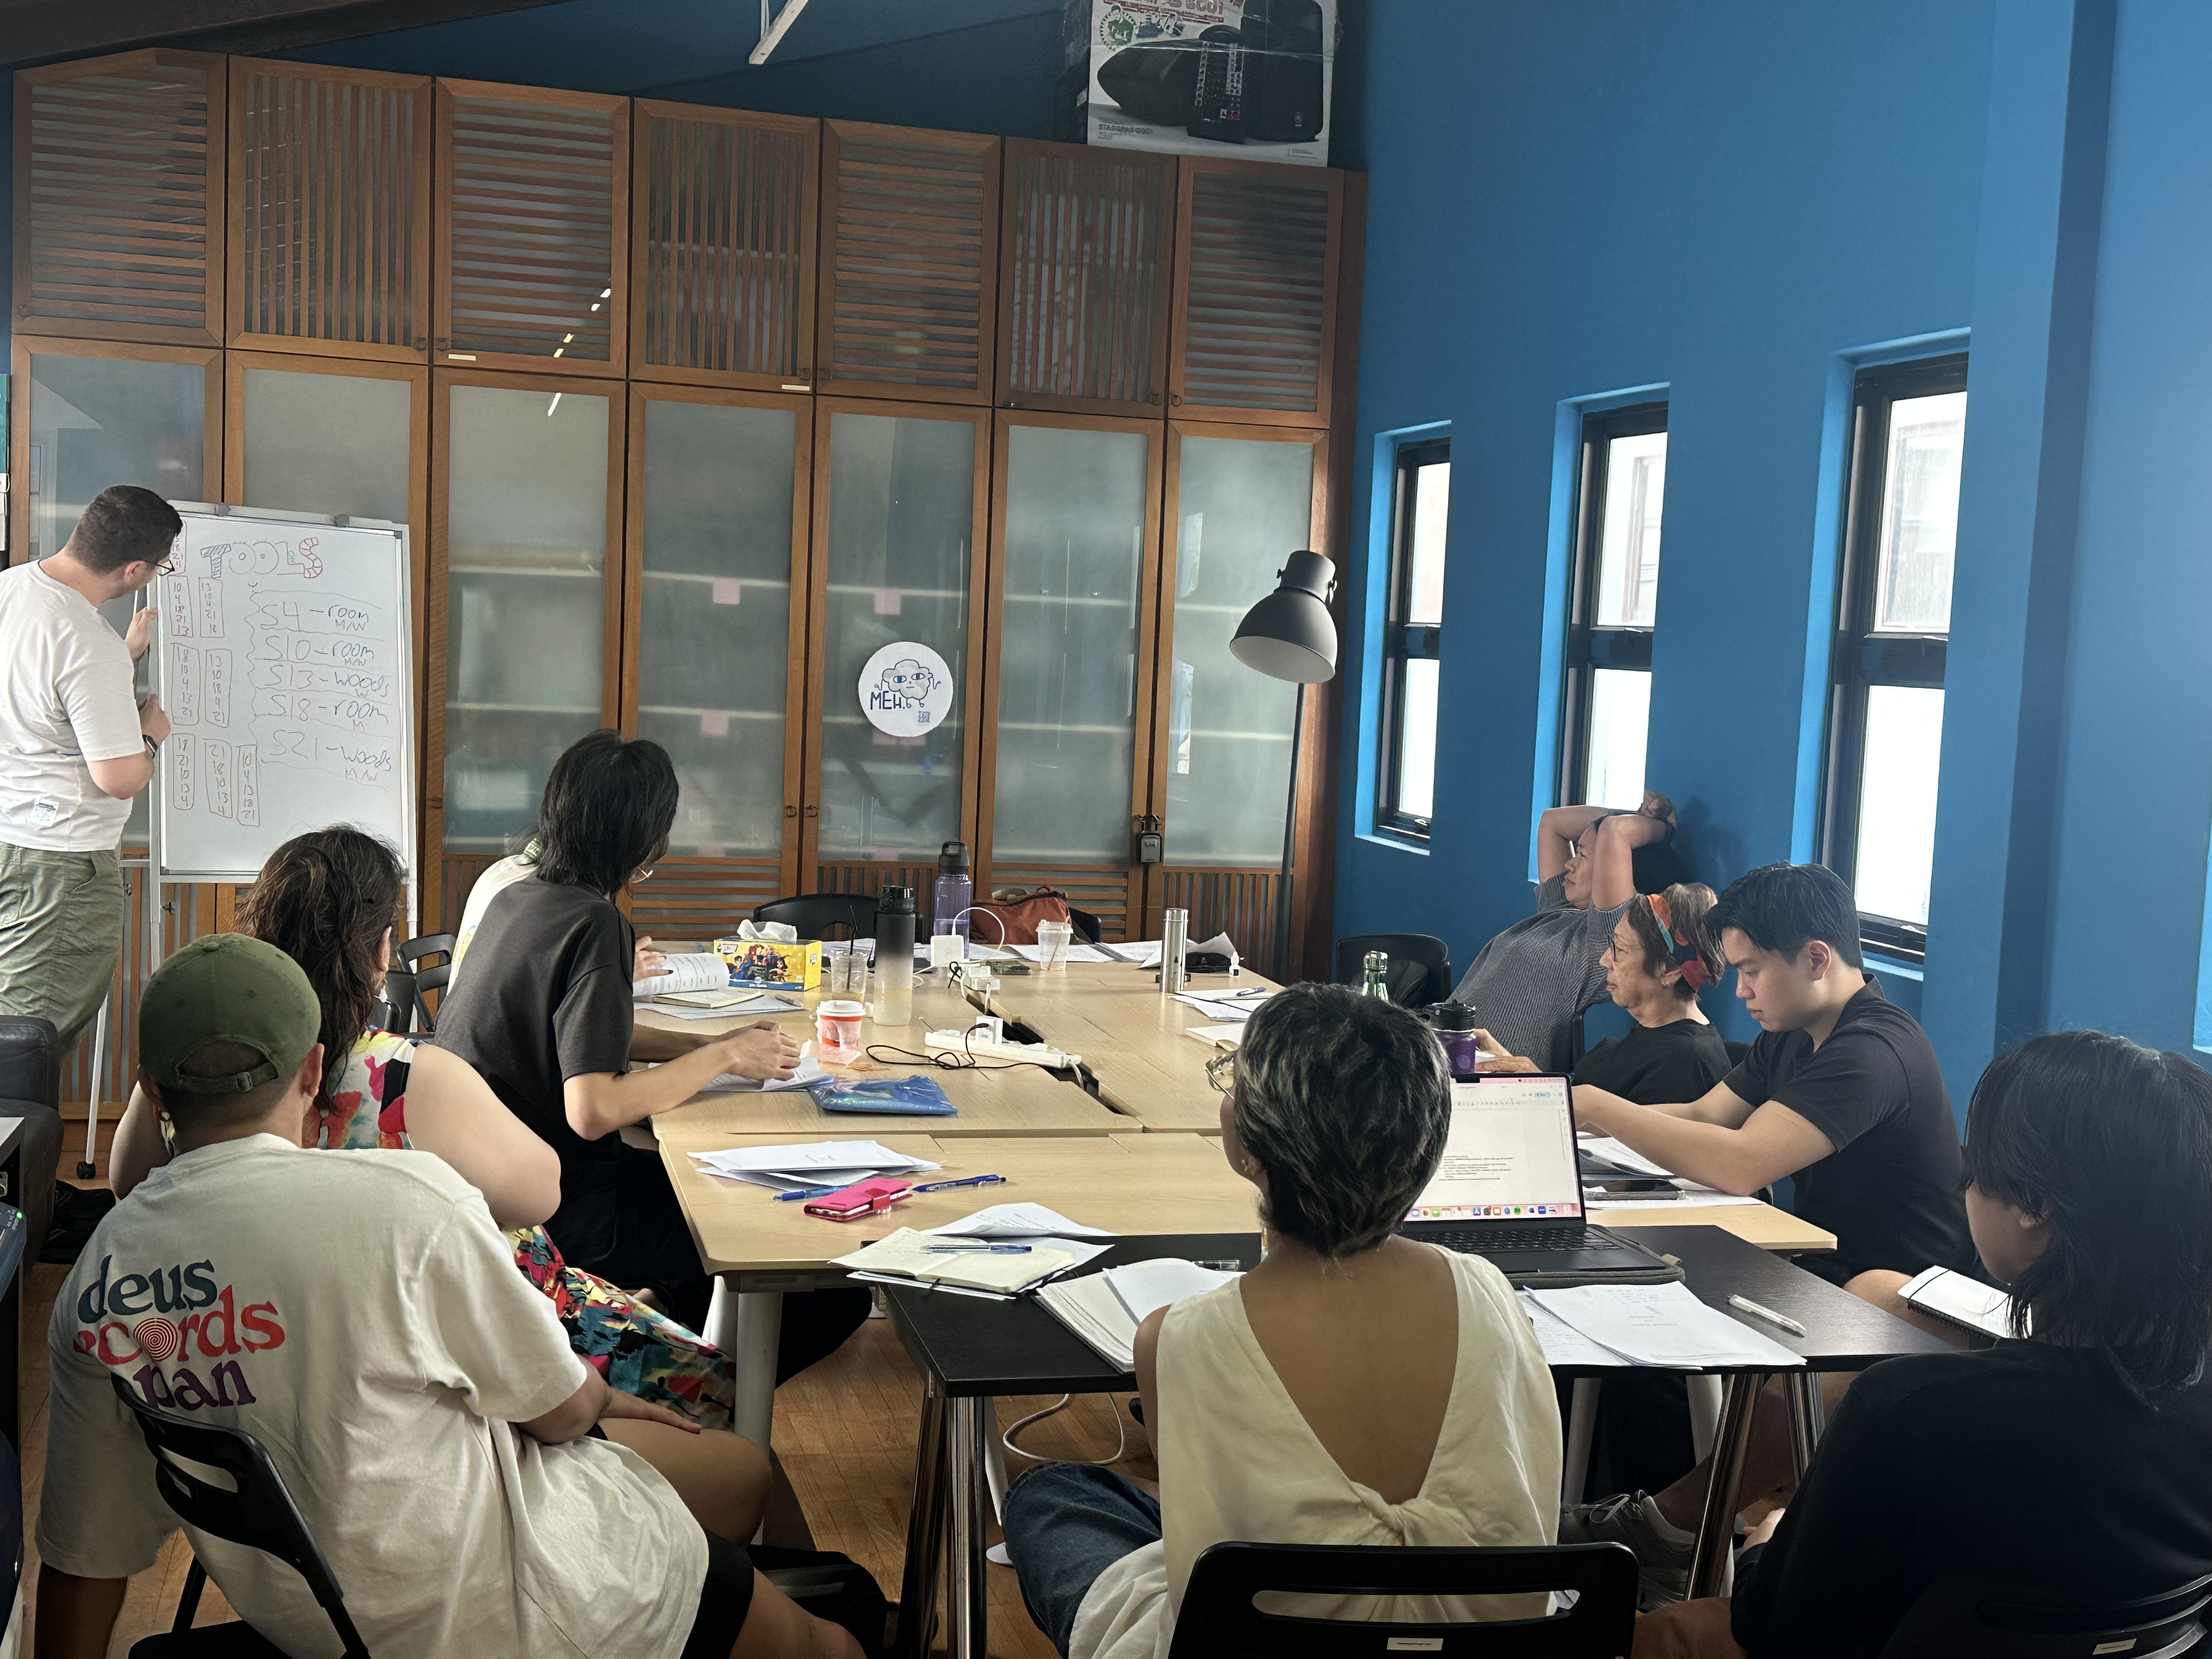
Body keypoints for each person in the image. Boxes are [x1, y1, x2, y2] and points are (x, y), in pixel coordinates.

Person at [36, 933, 862, 1659]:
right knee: (826, 1635)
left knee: (726, 1486)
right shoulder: (403, 1203)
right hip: (533, 1592)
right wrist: (603, 1398)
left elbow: (82, 1561)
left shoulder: (101, 1278)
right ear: (316, 1067)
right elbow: (560, 1411)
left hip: (325, 1624)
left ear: (150, 1085)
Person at [106, 828, 749, 1448]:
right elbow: (540, 1196)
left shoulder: (190, 1076)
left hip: (264, 1365)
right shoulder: (402, 1077)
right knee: (728, 1395)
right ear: (383, 954)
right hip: (473, 1359)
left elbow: (128, 1183)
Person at [1001, 984, 1563, 1659]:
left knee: (1054, 1493)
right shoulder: (1487, 1290)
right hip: (1484, 1644)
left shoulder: (1176, 1339)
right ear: (1430, 1141)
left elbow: (1201, 1517)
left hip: (1257, 1635)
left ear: (1247, 1147)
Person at [1633, 1030, 2212, 1659]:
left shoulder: (1908, 1412)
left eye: (1976, 1167)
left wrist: (1765, 1547)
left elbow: (1778, 1634)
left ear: (2035, 1206)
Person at [1564, 862, 1973, 1604]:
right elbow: (1704, 1117)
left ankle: (1670, 1527)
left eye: (1752, 970)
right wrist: (1580, 1110)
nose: (1740, 989)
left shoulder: (1873, 1050)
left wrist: (1598, 1105)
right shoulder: (1796, 1033)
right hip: (1820, 1276)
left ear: (1817, 959)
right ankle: (1668, 1523)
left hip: (1890, 1297)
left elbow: (1742, 1163)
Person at [433, 730, 870, 1375]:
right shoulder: (595, 921)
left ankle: (650, 1320)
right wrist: (720, 1062)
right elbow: (592, 1107)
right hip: (566, 1206)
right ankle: (697, 1398)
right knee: (820, 1275)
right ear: (642, 841)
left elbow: (575, 1032)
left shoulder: (518, 898)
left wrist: (710, 1044)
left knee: (707, 1185)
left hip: (492, 1189)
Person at [0, 484, 180, 1253]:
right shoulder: (88, 644)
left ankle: (27, 1195)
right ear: (135, 568)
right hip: (62, 867)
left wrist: (121, 660)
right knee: (25, 1036)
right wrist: (151, 734)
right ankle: (21, 1220)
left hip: (11, 839)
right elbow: (117, 778)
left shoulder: (13, 589)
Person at [1449, 793, 1684, 1074]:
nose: (1569, 864)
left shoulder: (1608, 935)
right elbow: (1553, 823)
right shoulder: (1559, 908)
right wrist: (1641, 817)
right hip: (1442, 1051)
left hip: (1485, 1079)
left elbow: (1615, 831)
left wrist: (1664, 829)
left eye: (1583, 855)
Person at [1473, 883, 1730, 1103]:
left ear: (1670, 970)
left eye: (1620, 949)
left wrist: (1541, 1088)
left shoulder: (1684, 1064)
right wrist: (1508, 1065)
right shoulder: (1655, 1035)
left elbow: (1609, 1151)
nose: (1605, 961)